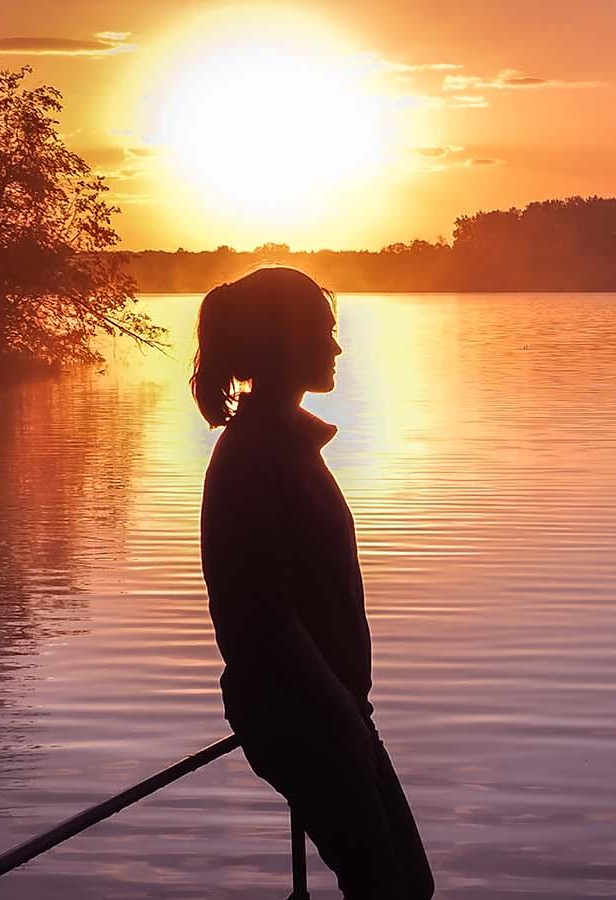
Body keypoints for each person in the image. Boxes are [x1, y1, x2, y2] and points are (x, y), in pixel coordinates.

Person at [192, 266, 433, 899]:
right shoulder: (251, 457)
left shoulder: (286, 447)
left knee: (408, 885)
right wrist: (339, 716)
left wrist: (349, 709)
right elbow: (263, 618)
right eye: (324, 331)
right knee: (390, 890)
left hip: (335, 709)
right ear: (285, 342)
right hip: (300, 714)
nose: (336, 347)